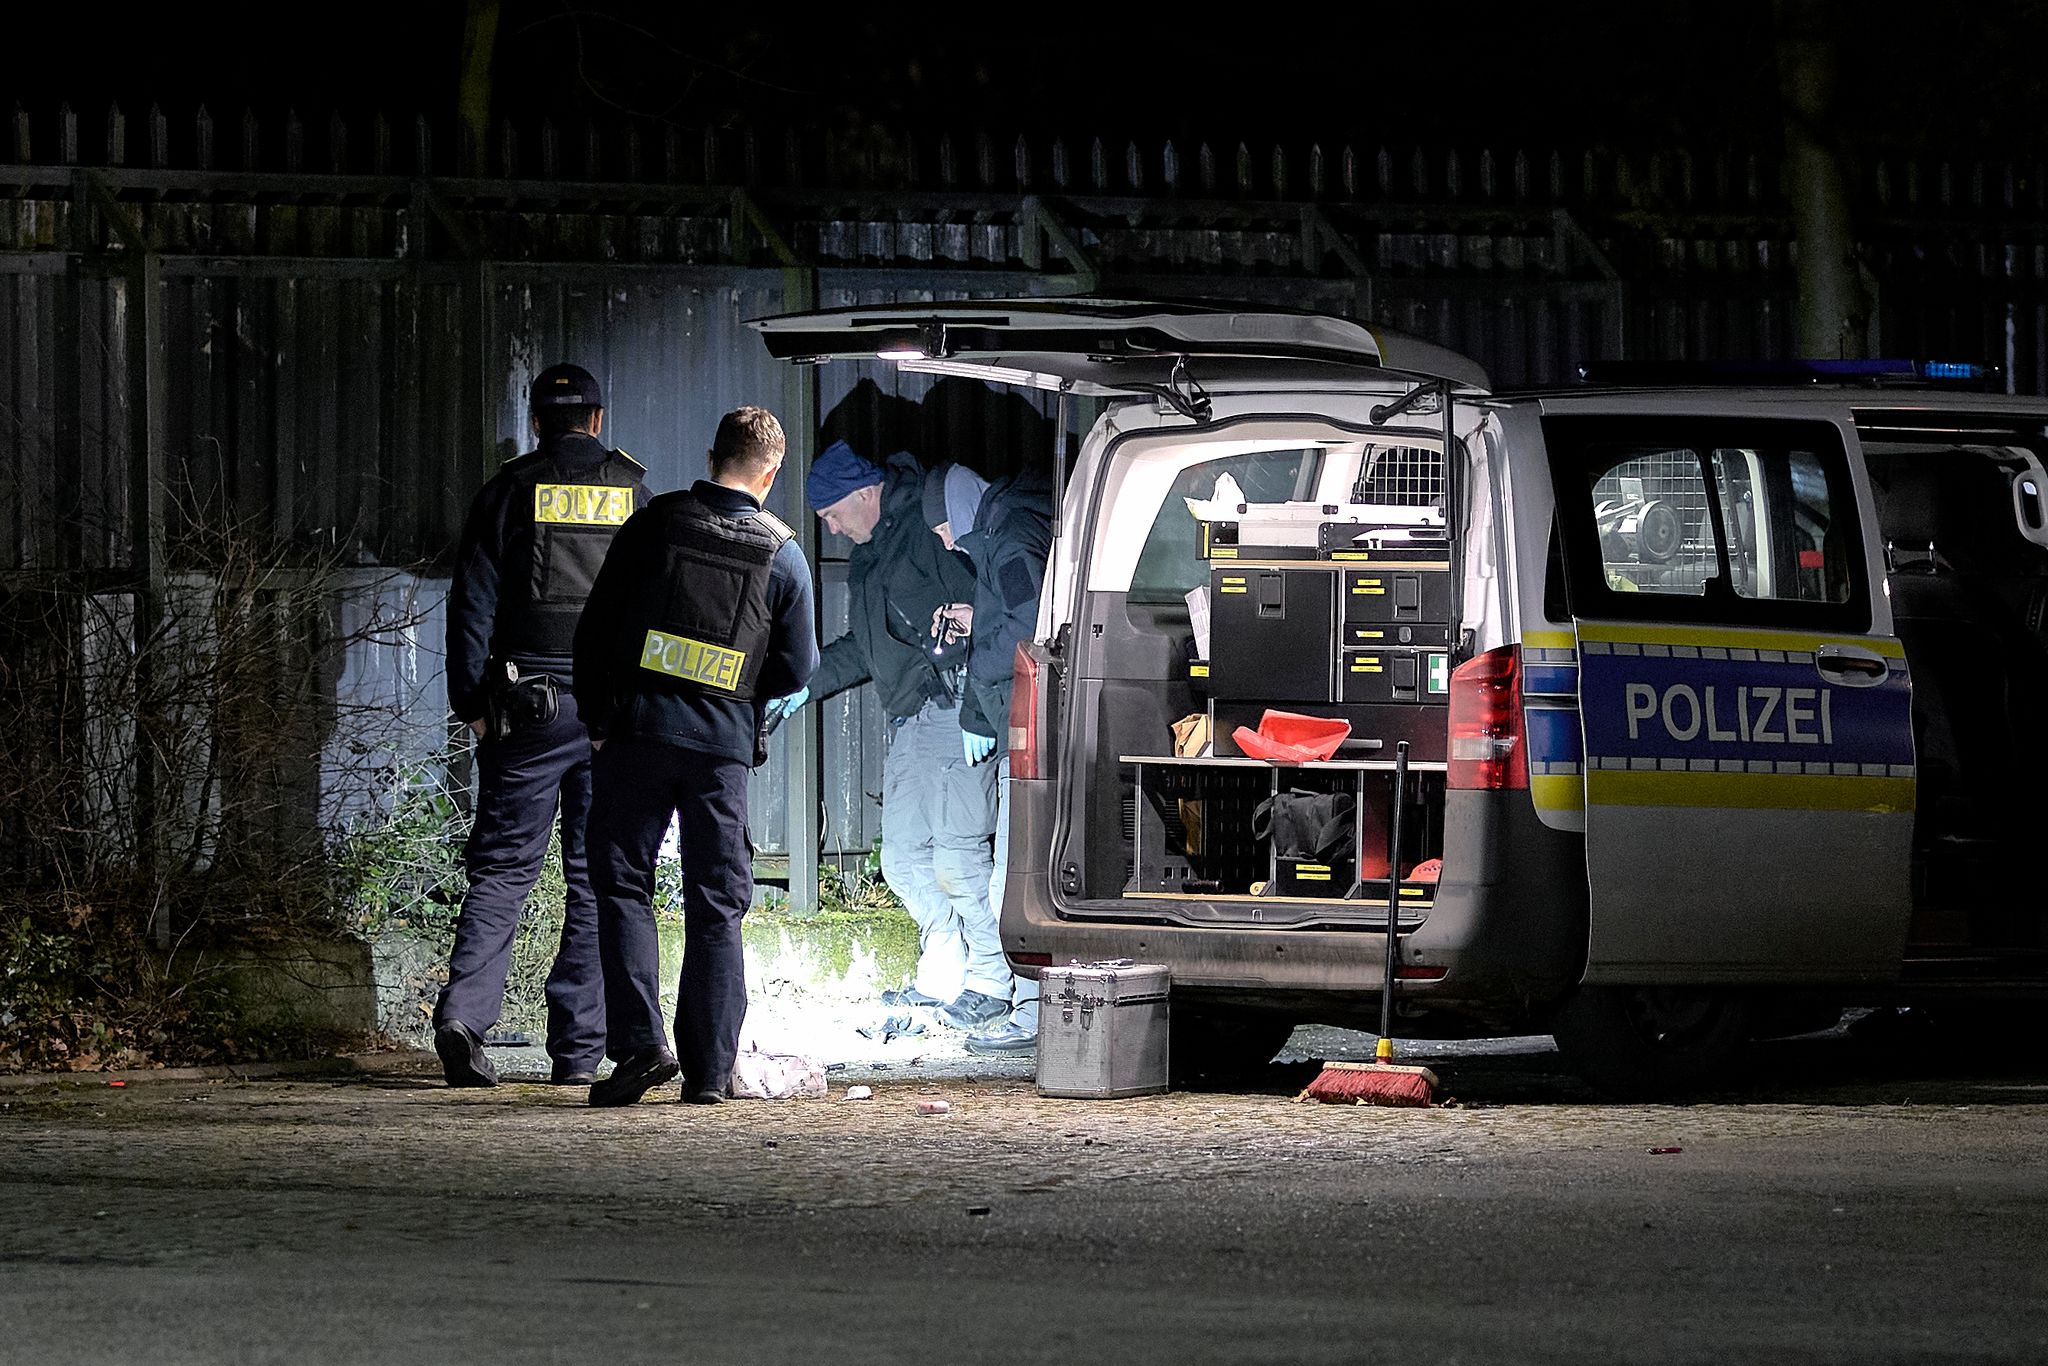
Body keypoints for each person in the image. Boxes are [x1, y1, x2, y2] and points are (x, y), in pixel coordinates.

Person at [573, 407, 818, 1106]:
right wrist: (739, 693)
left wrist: (598, 718)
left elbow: (595, 630)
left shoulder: (655, 524)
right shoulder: (783, 552)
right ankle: (708, 1074)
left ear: (712, 455)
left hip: (636, 736)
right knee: (716, 905)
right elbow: (798, 666)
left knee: (621, 885)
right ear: (771, 472)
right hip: (720, 750)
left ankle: (641, 1048)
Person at [436, 362, 652, 1088]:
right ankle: (578, 1052)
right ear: (597, 420)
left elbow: (471, 603)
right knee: (593, 880)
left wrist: (471, 703)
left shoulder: (508, 490)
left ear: (537, 423)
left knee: (501, 871)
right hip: (608, 715)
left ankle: (463, 1019)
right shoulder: (633, 493)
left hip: (524, 707)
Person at [765, 440, 1009, 1032]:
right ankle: (946, 970)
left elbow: (992, 612)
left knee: (958, 855)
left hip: (960, 707)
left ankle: (995, 982)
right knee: (902, 858)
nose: (831, 528)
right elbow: (865, 649)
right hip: (917, 718)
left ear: (866, 493)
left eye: (832, 514)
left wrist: (980, 708)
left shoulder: (930, 531)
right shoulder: (870, 555)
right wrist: (805, 685)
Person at [921, 461, 1055, 1055]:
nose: (944, 542)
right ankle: (1023, 1005)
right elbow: (1014, 609)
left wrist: (977, 678)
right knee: (1008, 866)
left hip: (1029, 725)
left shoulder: (1011, 533)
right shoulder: (1004, 531)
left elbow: (1029, 625)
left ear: (962, 513)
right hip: (1018, 722)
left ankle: (1030, 1014)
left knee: (1013, 872)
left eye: (943, 528)